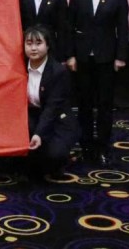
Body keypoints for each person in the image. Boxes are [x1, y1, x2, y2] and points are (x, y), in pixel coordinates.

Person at [66, 0, 129, 166]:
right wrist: (70, 55)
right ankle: (85, 146)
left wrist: (121, 56)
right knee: (84, 104)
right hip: (82, 58)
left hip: (106, 58)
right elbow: (69, 26)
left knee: (104, 105)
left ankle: (102, 146)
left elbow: (123, 27)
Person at [25, 25, 78, 181]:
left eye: (38, 43)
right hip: (32, 115)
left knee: (55, 155)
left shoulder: (58, 71)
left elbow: (52, 108)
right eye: (29, 43)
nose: (33, 48)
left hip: (57, 119)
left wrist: (38, 134)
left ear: (48, 46)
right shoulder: (19, 67)